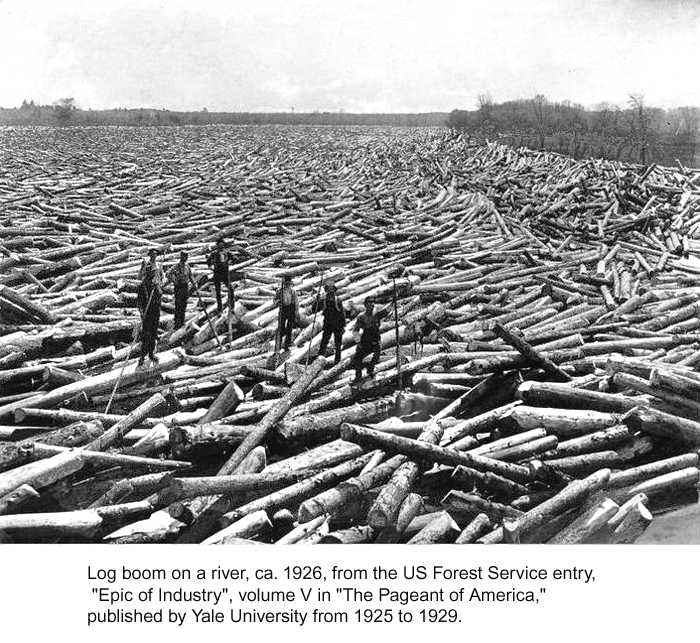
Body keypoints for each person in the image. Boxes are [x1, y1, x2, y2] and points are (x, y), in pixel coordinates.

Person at [137, 248, 164, 366]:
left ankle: (151, 354)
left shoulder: (155, 287)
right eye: (150, 274)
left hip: (155, 311)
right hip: (147, 313)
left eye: (153, 274)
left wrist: (156, 289)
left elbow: (160, 296)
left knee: (153, 333)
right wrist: (142, 313)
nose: (152, 276)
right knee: (146, 334)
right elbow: (139, 302)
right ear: (147, 274)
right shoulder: (142, 287)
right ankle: (142, 356)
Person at [352, 297, 389, 382]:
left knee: (376, 355)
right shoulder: (361, 317)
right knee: (357, 357)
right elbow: (355, 330)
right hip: (366, 338)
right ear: (365, 305)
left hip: (376, 337)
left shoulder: (377, 314)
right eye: (369, 303)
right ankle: (358, 376)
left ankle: (370, 369)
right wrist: (358, 341)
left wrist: (395, 300)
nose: (371, 304)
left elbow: (387, 311)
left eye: (373, 302)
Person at [318, 283, 346, 364]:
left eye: (332, 291)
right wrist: (317, 300)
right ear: (326, 291)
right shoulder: (323, 301)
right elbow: (315, 309)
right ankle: (319, 359)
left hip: (338, 325)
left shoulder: (338, 300)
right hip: (328, 324)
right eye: (329, 291)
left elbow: (342, 314)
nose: (330, 292)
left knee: (338, 344)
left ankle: (337, 361)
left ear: (334, 291)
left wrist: (343, 325)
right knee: (324, 342)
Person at [206, 238, 233, 314]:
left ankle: (232, 306)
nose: (221, 245)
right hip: (217, 273)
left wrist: (228, 262)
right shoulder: (214, 253)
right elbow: (208, 261)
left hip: (225, 273)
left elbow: (234, 258)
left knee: (231, 289)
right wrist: (210, 267)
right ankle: (219, 309)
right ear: (217, 245)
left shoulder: (227, 252)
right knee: (218, 292)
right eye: (219, 244)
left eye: (222, 244)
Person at [166, 251, 191, 330]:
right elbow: (168, 273)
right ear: (181, 257)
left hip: (185, 287)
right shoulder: (176, 266)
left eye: (186, 257)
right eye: (184, 256)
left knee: (184, 305)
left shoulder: (187, 266)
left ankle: (182, 322)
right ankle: (177, 324)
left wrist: (194, 284)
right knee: (178, 305)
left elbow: (190, 276)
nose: (185, 258)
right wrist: (174, 280)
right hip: (179, 287)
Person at [275, 275, 298, 351]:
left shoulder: (293, 291)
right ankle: (279, 344)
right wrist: (278, 302)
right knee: (281, 327)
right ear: (284, 283)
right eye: (286, 283)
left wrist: (296, 311)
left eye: (288, 283)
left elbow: (296, 302)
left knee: (289, 327)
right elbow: (274, 300)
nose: (287, 285)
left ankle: (287, 345)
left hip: (291, 308)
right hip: (283, 309)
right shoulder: (279, 291)